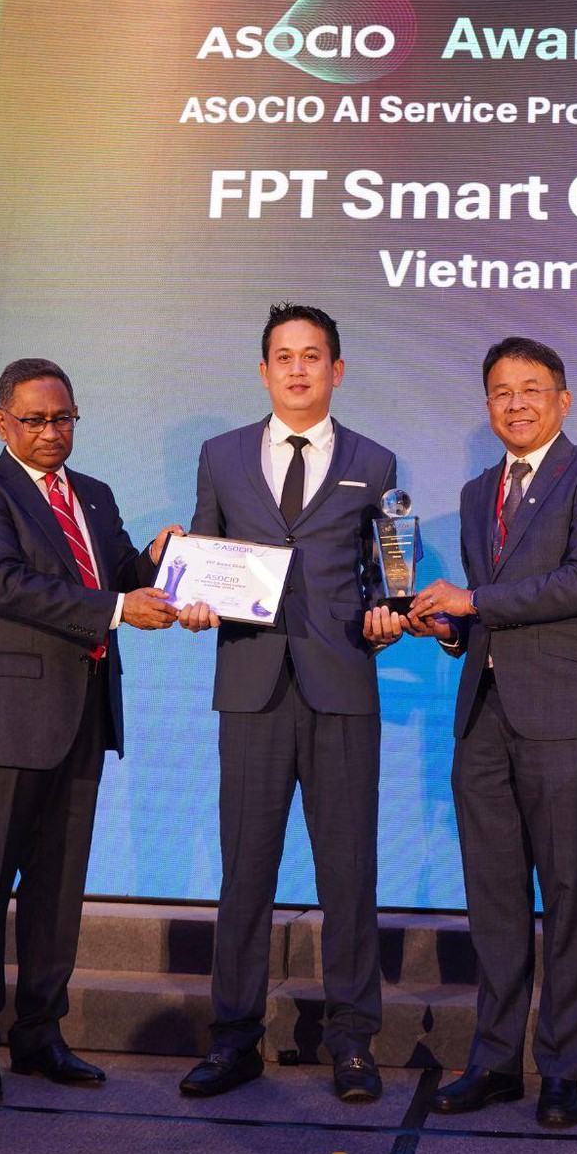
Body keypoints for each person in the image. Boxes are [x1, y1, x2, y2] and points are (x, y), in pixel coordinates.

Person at [0, 357, 179, 1107]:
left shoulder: (93, 494)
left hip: (82, 715)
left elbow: (114, 573)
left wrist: (157, 562)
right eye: (34, 419)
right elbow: (5, 584)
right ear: (2, 421)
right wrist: (118, 609)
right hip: (0, 723)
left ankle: (39, 1033)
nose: (50, 431)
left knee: (58, 890)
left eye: (62, 417)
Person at [172, 304, 402, 1104]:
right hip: (252, 686)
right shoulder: (222, 454)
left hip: (342, 688)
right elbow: (203, 552)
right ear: (263, 369)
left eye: (312, 356)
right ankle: (234, 1037)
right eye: (283, 355)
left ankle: (353, 1040)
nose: (297, 369)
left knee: (349, 873)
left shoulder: (375, 459)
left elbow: (385, 574)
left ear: (337, 369)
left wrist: (389, 614)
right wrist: (191, 599)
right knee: (245, 870)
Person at [406, 337, 577, 1129]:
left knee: (565, 893)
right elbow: (486, 606)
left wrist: (471, 602)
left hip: (562, 717)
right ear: (487, 405)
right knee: (493, 899)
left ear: (563, 400)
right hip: (483, 717)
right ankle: (496, 1060)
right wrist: (449, 629)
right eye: (501, 391)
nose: (516, 403)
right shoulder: (477, 491)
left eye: (532, 388)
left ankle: (562, 1069)